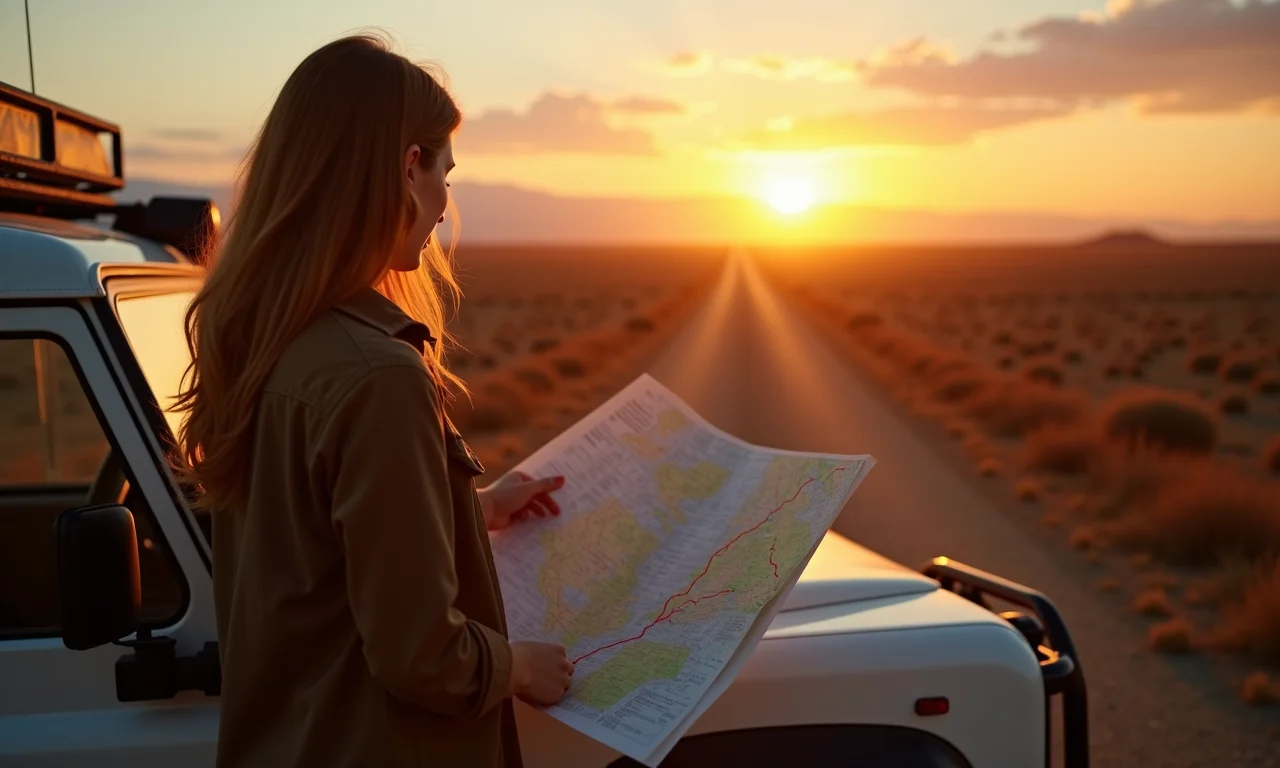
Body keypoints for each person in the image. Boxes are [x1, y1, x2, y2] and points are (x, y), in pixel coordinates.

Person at [170, 32, 573, 768]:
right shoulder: (378, 376)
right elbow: (422, 655)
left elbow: (312, 550)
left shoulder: (263, 343)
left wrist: (474, 509)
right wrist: (516, 667)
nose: (445, 205)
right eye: (445, 173)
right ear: (409, 167)